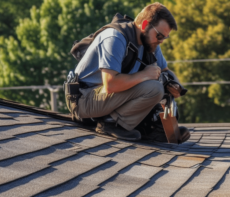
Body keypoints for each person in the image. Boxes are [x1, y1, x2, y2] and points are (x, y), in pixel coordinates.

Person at [69, 2, 189, 142]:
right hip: (84, 100)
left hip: (106, 98)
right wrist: (144, 75)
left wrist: (175, 86)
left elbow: (166, 71)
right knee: (154, 88)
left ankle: (148, 129)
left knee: (159, 86)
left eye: (164, 38)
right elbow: (110, 84)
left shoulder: (150, 43)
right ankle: (111, 123)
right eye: (160, 36)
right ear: (144, 25)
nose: (161, 41)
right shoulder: (115, 37)